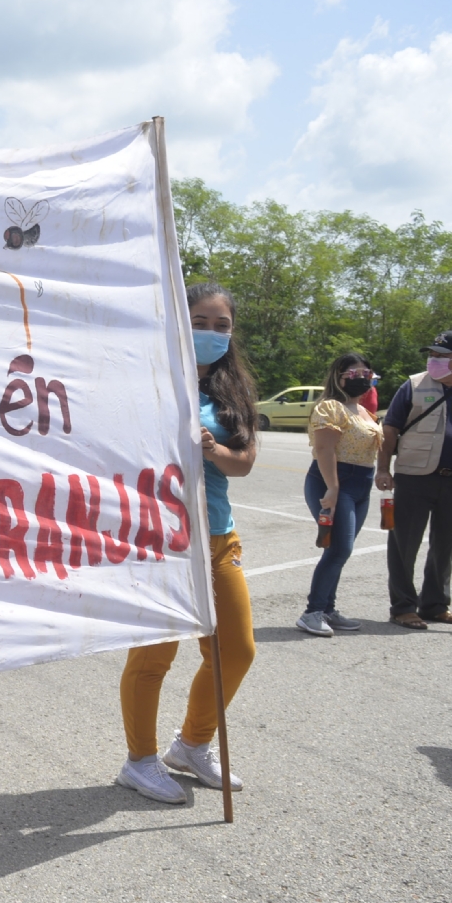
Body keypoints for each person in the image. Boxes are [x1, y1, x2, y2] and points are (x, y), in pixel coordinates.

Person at [116, 282, 258, 805]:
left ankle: (192, 745)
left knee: (235, 651)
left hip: (217, 538)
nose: (211, 334)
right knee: (154, 656)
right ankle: (140, 761)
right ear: (178, 320)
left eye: (222, 326)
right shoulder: (149, 380)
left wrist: (214, 448)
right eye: (200, 322)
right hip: (160, 539)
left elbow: (243, 464)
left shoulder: (234, 389)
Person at [375, 330, 452, 629]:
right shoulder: (414, 385)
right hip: (415, 478)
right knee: (404, 544)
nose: (434, 360)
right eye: (432, 355)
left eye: (442, 356)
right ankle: (403, 607)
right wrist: (383, 469)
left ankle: (435, 605)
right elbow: (389, 430)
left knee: (445, 545)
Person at [296, 353, 382, 636]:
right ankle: (313, 612)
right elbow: (325, 450)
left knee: (341, 551)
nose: (362, 379)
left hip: (361, 485)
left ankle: (328, 609)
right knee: (339, 549)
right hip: (334, 481)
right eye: (354, 374)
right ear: (339, 377)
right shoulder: (330, 407)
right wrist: (333, 488)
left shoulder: (365, 412)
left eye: (366, 375)